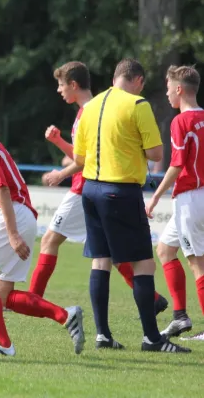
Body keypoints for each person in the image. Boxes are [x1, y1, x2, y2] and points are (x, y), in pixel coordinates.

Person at [33, 62, 168, 323]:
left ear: (73, 84)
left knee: (52, 241)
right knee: (110, 254)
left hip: (87, 187)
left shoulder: (91, 111)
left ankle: (33, 299)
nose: (59, 91)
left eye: (61, 85)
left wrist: (61, 166)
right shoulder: (92, 109)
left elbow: (86, 159)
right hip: (101, 188)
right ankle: (153, 300)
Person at [0, 93, 85, 356]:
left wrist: (11, 234)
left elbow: (2, 189)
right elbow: (0, 188)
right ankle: (65, 315)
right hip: (19, 214)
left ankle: (3, 345)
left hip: (11, 216)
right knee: (1, 295)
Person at [73, 58, 190, 353]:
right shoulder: (138, 105)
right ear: (137, 80)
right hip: (120, 191)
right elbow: (154, 152)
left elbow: (80, 156)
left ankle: (103, 334)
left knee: (101, 260)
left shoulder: (90, 107)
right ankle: (152, 338)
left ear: (115, 77)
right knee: (144, 263)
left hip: (90, 189)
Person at [146, 65, 204, 342]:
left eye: (169, 88)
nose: (167, 93)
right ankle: (180, 317)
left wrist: (155, 196)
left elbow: (178, 164)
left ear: (179, 89)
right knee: (166, 250)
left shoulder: (180, 122)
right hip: (197, 197)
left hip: (190, 198)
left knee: (197, 264)